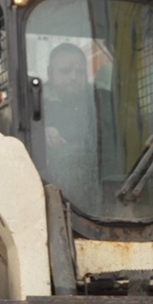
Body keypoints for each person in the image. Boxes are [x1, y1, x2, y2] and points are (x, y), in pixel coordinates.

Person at [40, 42, 99, 207]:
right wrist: (40, 131)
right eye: (65, 71)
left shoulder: (101, 102)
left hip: (100, 190)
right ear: (50, 73)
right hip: (51, 199)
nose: (73, 77)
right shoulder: (33, 104)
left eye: (79, 72)